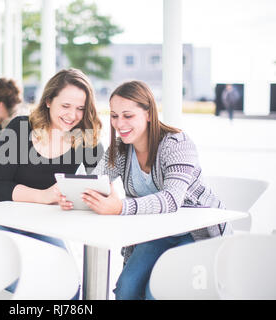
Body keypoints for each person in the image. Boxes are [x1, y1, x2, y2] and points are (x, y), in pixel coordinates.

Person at [58, 80, 231, 300]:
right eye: (114, 115)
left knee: (154, 293)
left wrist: (120, 207)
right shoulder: (120, 149)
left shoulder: (176, 144)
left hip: (196, 233)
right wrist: (75, 196)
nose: (119, 124)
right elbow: (95, 182)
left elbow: (171, 199)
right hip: (157, 233)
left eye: (128, 116)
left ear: (148, 114)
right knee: (125, 290)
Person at [0, 68, 104, 298]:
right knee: (37, 282)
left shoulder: (83, 140)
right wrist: (45, 196)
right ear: (49, 101)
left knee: (69, 286)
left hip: (41, 227)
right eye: (66, 106)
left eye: (80, 108)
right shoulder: (20, 128)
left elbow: (103, 183)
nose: (72, 115)